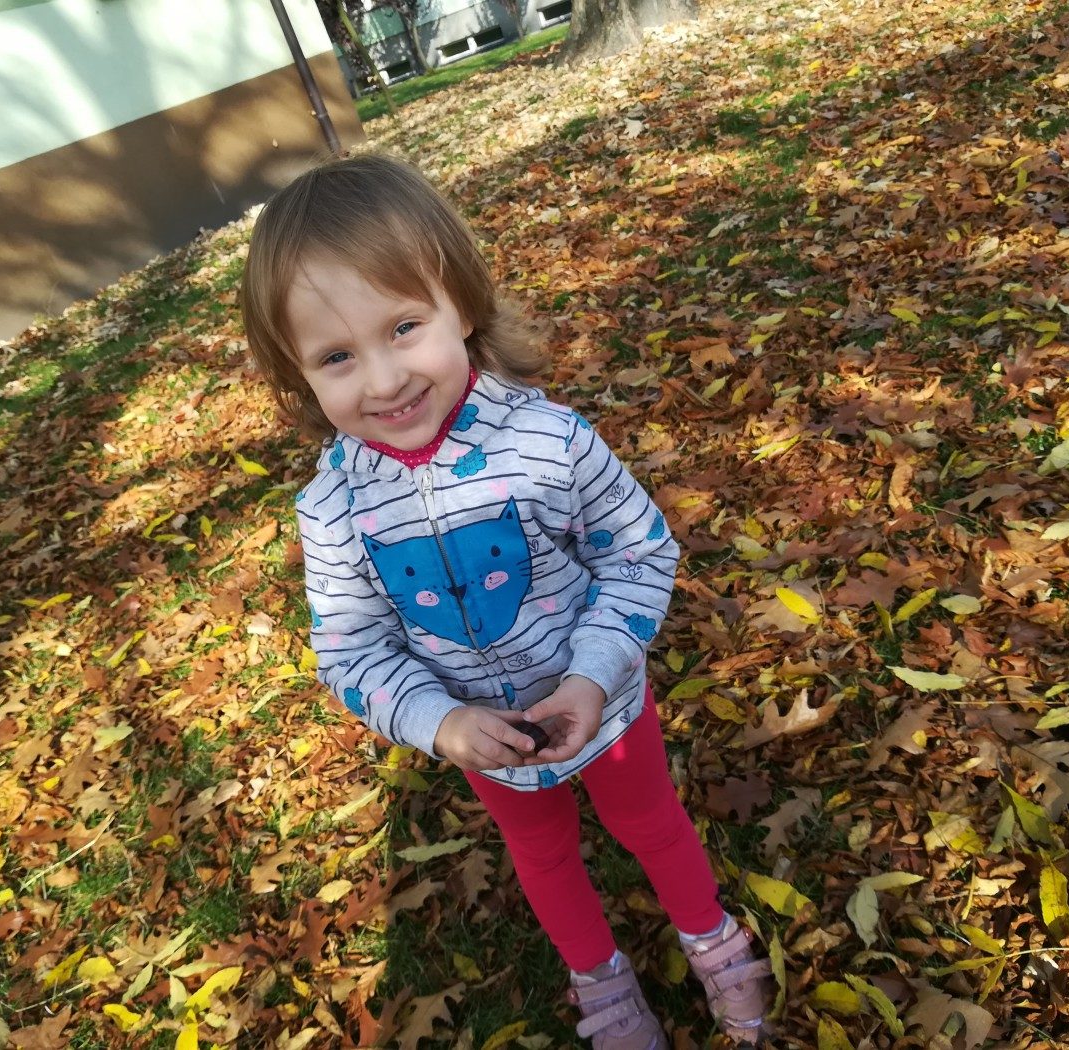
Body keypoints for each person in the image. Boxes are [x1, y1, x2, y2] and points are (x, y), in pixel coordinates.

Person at [241, 152, 772, 1048]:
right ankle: (599, 979)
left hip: (604, 702)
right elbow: (351, 650)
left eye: (404, 327)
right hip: (488, 740)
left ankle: (709, 938)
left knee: (650, 821)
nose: (383, 380)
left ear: (462, 303)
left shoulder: (548, 441)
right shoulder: (331, 509)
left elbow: (638, 552)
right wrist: (442, 724)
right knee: (544, 852)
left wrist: (595, 674)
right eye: (337, 357)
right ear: (300, 376)